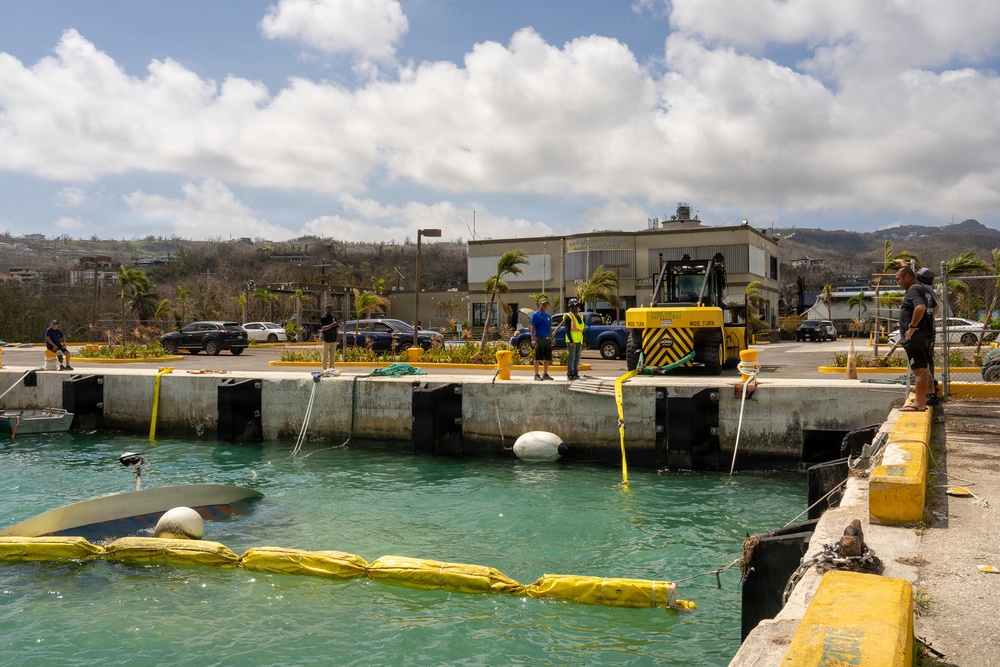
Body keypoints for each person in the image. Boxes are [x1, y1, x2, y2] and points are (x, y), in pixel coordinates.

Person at [896, 266, 932, 411]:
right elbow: (933, 309)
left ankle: (919, 403)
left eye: (898, 279)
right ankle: (923, 399)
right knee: (923, 368)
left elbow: (920, 308)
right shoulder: (924, 289)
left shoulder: (913, 290)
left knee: (918, 370)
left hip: (915, 337)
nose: (897, 282)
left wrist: (912, 327)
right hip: (924, 335)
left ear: (908, 277)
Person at [916, 267, 941, 405]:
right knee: (927, 360)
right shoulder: (930, 290)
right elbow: (935, 309)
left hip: (923, 331)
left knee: (924, 363)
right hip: (928, 330)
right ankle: (929, 389)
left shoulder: (922, 289)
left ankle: (930, 394)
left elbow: (924, 308)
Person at [553, 298, 585, 380]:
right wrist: (571, 342)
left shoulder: (581, 317)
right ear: (570, 307)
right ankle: (570, 373)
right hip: (572, 341)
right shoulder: (568, 317)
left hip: (579, 341)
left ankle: (575, 372)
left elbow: (581, 331)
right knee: (571, 358)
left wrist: (583, 341)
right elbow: (567, 330)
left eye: (577, 306)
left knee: (577, 358)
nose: (576, 308)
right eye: (574, 306)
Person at [530, 299, 554, 381]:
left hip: (547, 339)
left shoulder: (548, 316)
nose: (545, 306)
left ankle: (545, 374)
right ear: (539, 305)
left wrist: (552, 338)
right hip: (539, 338)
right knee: (537, 357)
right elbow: (532, 327)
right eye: (543, 304)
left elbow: (550, 327)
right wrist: (533, 339)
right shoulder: (536, 315)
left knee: (546, 358)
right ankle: (536, 375)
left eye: (546, 304)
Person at [319, 306, 339, 371]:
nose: (330, 311)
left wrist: (338, 337)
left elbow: (336, 328)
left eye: (331, 309)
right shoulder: (323, 318)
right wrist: (331, 325)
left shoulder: (334, 318)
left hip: (333, 339)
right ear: (326, 310)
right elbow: (324, 328)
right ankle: (325, 369)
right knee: (325, 355)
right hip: (326, 339)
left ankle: (332, 368)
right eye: (329, 309)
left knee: (332, 356)